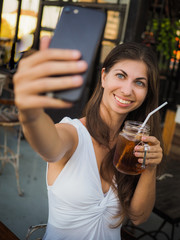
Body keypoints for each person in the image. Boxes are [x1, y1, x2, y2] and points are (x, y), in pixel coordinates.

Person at [13, 38, 163, 240]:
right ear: (103, 77)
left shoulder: (134, 146)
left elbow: (138, 217)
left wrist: (150, 167)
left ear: (147, 93)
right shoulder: (73, 134)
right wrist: (30, 113)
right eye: (120, 75)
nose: (127, 90)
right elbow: (48, 147)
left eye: (139, 82)